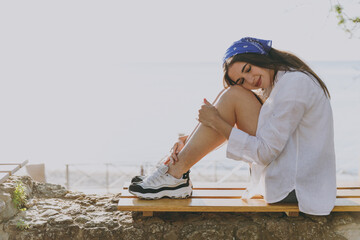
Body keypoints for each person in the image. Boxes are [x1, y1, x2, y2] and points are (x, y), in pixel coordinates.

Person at [128, 37, 336, 216]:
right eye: (242, 79)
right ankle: (176, 172)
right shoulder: (278, 83)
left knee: (233, 96)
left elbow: (264, 152)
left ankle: (175, 174)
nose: (250, 80)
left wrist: (216, 121)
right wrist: (189, 140)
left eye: (248, 69)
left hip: (296, 187)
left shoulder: (294, 83)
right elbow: (252, 132)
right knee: (233, 95)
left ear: (260, 56)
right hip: (292, 177)